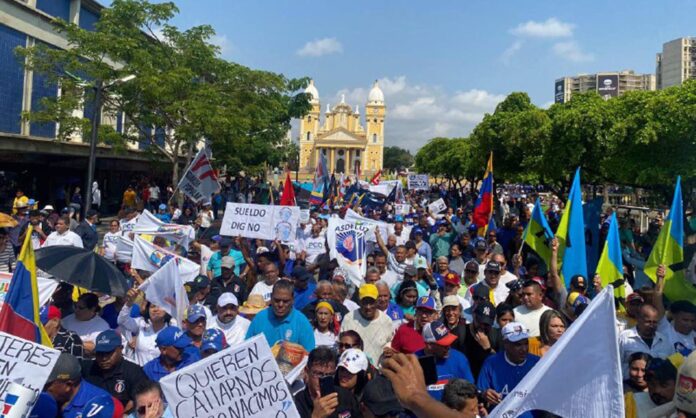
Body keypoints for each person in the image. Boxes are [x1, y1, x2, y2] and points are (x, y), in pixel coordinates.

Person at [477, 322, 540, 417]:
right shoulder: (491, 363)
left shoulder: (537, 363)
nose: (524, 349)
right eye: (518, 345)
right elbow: (479, 390)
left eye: (526, 343)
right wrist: (485, 394)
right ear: (505, 344)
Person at [81, 330, 147, 414]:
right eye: (100, 353)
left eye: (109, 353)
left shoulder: (133, 372)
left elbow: (143, 401)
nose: (104, 358)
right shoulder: (87, 369)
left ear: (120, 349)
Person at [246, 280, 316, 351]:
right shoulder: (260, 318)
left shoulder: (302, 323)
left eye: (285, 301)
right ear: (271, 297)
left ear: (292, 300)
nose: (280, 305)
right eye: (277, 300)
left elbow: (309, 354)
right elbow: (247, 348)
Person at [294, 346, 362, 418]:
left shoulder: (346, 397)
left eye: (329, 375)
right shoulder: (296, 404)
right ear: (307, 371)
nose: (323, 380)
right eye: (318, 374)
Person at [418, 320, 474, 401]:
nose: (448, 347)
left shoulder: (459, 359)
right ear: (429, 345)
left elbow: (470, 392)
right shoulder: (414, 362)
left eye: (449, 342)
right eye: (444, 345)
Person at [43, 353, 114, 418]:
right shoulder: (43, 399)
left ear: (68, 385)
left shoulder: (101, 405)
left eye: (48, 384)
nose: (43, 388)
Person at [118, 289, 174, 366]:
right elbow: (121, 321)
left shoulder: (172, 327)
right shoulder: (141, 323)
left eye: (160, 306)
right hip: (140, 374)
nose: (155, 309)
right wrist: (129, 303)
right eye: (152, 306)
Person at [341, 284, 395, 364]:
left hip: (377, 371)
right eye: (365, 303)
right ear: (359, 302)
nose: (368, 307)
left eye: (371, 303)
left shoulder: (386, 321)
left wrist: (389, 349)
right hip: (354, 371)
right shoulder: (349, 319)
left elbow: (391, 343)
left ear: (377, 301)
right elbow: (341, 344)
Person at [619, 304, 673, 375]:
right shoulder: (624, 338)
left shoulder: (664, 341)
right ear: (638, 319)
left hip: (655, 385)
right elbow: (615, 364)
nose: (652, 325)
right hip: (629, 384)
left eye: (655, 322)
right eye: (648, 322)